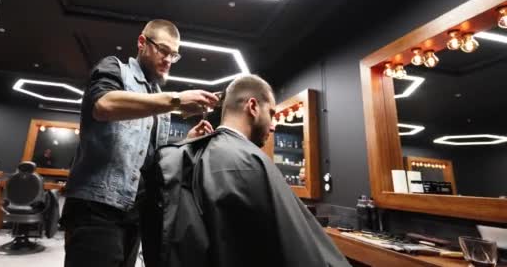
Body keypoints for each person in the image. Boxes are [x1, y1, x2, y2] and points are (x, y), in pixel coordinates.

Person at [60, 19, 219, 267]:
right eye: (163, 50)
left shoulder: (159, 100)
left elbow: (151, 159)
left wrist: (186, 141)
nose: (168, 60)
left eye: (174, 55)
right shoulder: (115, 68)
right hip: (96, 209)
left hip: (135, 214)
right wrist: (176, 100)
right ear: (142, 42)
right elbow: (104, 106)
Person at [148, 75, 350, 267]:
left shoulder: (182, 155)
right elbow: (299, 250)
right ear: (252, 107)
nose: (273, 127)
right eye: (271, 114)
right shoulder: (254, 162)